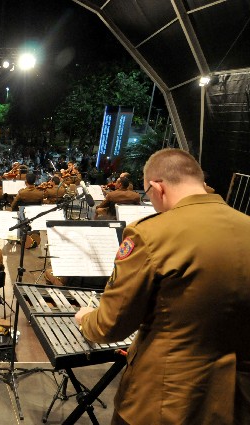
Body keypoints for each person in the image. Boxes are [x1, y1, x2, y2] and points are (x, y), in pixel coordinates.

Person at [75, 148, 250, 425]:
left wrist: (85, 319)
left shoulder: (150, 233)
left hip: (164, 400)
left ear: (157, 187)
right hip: (234, 402)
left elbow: (110, 325)